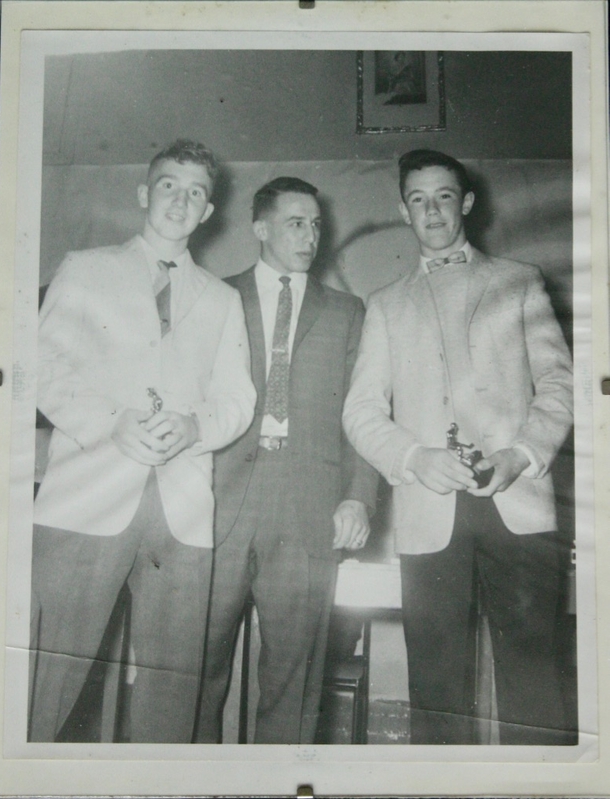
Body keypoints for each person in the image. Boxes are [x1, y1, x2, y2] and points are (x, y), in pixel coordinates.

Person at [342, 150, 573, 745]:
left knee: (535, 682)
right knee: (436, 690)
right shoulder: (385, 304)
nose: (432, 210)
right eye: (418, 199)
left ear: (466, 203)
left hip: (516, 503)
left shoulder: (519, 280)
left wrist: (519, 454)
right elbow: (361, 412)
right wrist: (416, 458)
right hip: (427, 509)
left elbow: (560, 385)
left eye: (444, 195)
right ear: (403, 211)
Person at [29, 139, 256, 743]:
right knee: (48, 684)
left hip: (179, 516)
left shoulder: (224, 299)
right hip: (86, 500)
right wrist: (111, 422)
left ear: (209, 211)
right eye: (169, 186)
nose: (181, 200)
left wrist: (193, 428)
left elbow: (237, 401)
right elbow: (38, 368)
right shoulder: (85, 267)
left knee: (172, 700)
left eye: (196, 192)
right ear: (143, 194)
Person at [196, 177, 378, 744]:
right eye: (296, 222)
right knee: (196, 667)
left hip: (309, 506)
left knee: (296, 679)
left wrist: (359, 495)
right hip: (218, 500)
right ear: (260, 229)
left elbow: (365, 410)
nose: (310, 235)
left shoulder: (350, 311)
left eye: (316, 224)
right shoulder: (214, 297)